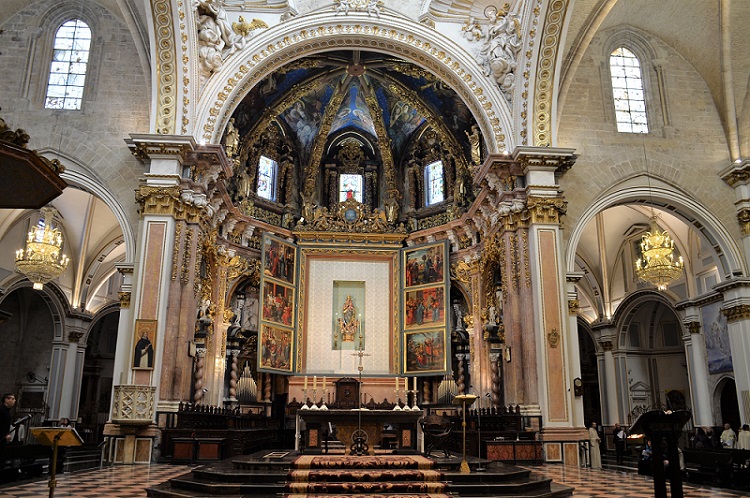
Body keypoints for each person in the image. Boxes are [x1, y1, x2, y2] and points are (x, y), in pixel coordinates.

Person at [0, 394, 16, 466]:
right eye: (12, 399)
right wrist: (5, 434)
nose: (14, 401)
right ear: (6, 400)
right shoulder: (1, 410)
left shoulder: (6, 411)